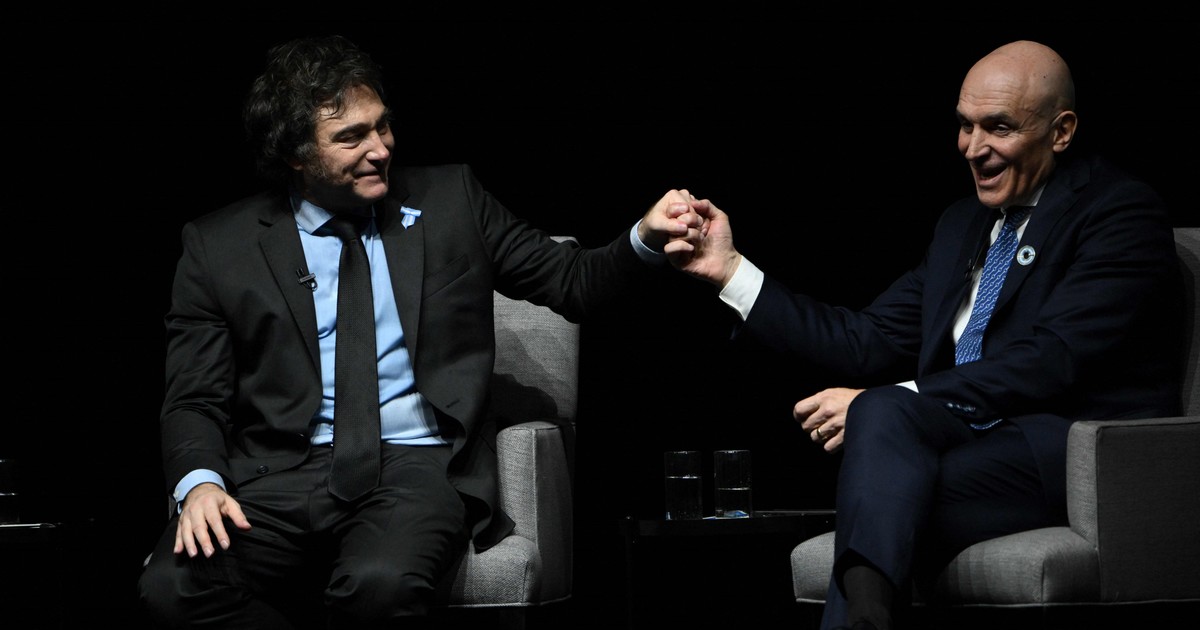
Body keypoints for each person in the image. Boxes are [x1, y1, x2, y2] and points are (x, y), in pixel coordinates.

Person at [136, 34, 702, 629]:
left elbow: (572, 280)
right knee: (172, 587)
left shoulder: (452, 199)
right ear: (295, 155)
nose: (380, 149)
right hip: (276, 475)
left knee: (378, 586)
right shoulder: (219, 246)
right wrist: (199, 485)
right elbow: (194, 398)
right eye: (351, 137)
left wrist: (644, 237)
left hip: (416, 465)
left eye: (383, 126)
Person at [666, 40, 1181, 630]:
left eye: (999, 127)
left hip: (1070, 451)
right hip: (965, 444)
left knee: (881, 480)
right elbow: (863, 340)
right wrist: (729, 270)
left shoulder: (1118, 213)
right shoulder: (962, 224)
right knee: (883, 427)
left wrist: (899, 398)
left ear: (1060, 132)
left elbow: (1051, 358)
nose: (974, 148)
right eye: (965, 125)